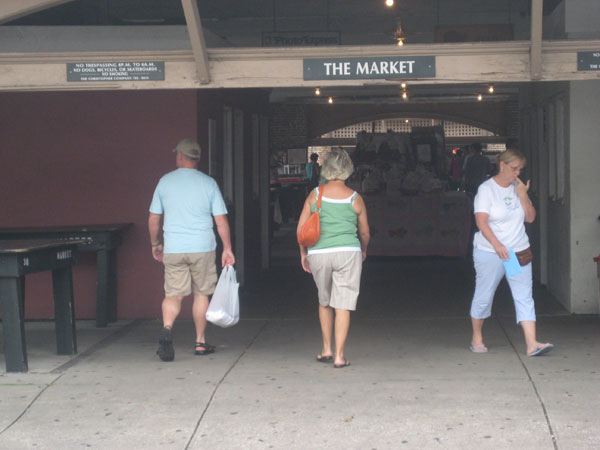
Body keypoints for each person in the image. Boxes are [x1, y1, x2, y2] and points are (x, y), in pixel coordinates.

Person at [148, 138, 235, 362]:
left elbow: (154, 219)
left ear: (180, 156)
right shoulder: (208, 183)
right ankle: (200, 342)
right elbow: (221, 220)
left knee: (173, 295)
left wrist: (156, 244)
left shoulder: (165, 182)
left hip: (174, 247)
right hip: (202, 247)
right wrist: (227, 248)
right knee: (201, 294)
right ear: (197, 159)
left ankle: (167, 328)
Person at [469, 148, 553, 357]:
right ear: (502, 165)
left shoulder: (518, 188)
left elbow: (530, 218)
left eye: (520, 169)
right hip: (491, 253)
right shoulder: (487, 190)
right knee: (484, 295)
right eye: (514, 168)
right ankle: (476, 336)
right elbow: (481, 221)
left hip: (516, 253)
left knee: (523, 296)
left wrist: (523, 196)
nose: (517, 173)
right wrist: (497, 244)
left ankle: (532, 343)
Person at [297, 149, 370, 368]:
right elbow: (365, 232)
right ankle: (339, 356)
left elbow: (301, 229)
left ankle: (326, 349)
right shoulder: (355, 198)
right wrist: (363, 250)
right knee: (343, 305)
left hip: (319, 253)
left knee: (325, 301)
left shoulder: (315, 195)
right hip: (348, 252)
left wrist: (303, 253)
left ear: (325, 169)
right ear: (348, 169)